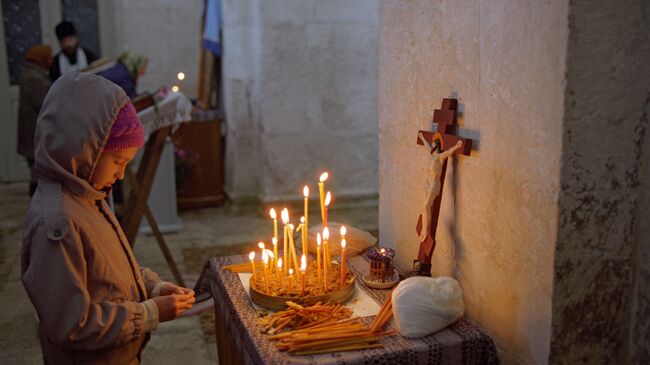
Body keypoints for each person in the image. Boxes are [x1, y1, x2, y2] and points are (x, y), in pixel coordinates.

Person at [21, 72, 195, 364]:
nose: (121, 174)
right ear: (83, 149)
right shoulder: (58, 224)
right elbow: (73, 324)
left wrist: (153, 286)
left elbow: (107, 271)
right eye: (118, 162)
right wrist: (150, 312)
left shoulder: (87, 197)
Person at [17, 45, 52, 196]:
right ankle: (37, 203)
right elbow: (45, 102)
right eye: (48, 56)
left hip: (32, 131)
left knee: (36, 170)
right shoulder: (34, 78)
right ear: (42, 58)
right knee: (37, 172)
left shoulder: (33, 73)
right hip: (34, 133)